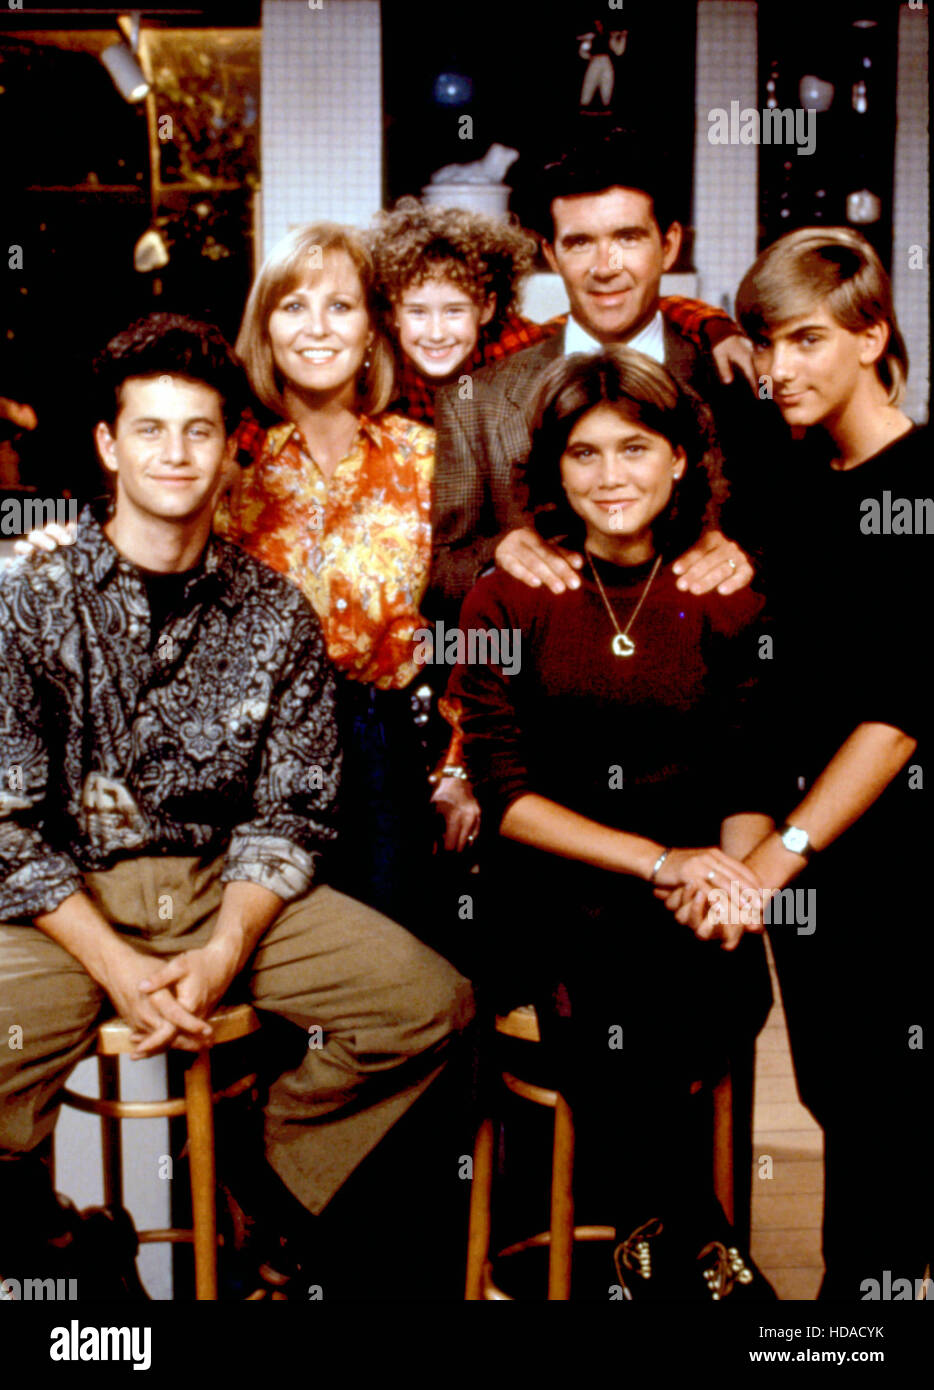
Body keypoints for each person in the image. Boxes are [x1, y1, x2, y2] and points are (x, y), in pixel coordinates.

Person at [0, 313, 474, 1298]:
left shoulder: (271, 610)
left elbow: (295, 811)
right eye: (150, 429)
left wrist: (218, 955)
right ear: (107, 444)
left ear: (229, 449)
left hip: (225, 887)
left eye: (199, 431)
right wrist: (119, 968)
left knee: (428, 1005)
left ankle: (267, 1187)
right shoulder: (31, 596)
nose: (175, 454)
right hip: (65, 901)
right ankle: (58, 1249)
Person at [447, 346, 774, 1299]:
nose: (610, 476)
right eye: (583, 455)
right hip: (554, 886)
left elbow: (751, 767)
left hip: (693, 900)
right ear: (553, 470)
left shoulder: (726, 592)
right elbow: (506, 797)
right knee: (603, 946)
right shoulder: (511, 594)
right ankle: (704, 1248)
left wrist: (737, 883)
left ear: (680, 458)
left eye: (635, 449)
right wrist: (664, 861)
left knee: (675, 967)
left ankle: (646, 1237)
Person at [730, 227, 931, 1299]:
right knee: (844, 1102)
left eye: (806, 338)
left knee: (890, 1120)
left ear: (872, 335)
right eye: (766, 342)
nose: (781, 367)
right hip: (817, 873)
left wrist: (781, 853)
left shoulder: (927, 480)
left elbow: (897, 715)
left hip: (892, 860)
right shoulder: (797, 481)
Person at [221, 222, 483, 926]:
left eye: (340, 306)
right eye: (293, 306)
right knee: (267, 983)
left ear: (373, 329)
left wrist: (460, 766)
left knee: (398, 974)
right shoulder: (229, 474)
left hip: (385, 748)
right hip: (253, 759)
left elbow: (475, 626)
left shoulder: (430, 459)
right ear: (265, 329)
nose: (317, 328)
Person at [428, 128, 772, 625]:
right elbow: (437, 579)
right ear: (551, 254)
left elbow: (785, 549)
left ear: (669, 244)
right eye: (580, 243)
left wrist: (747, 561)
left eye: (627, 238)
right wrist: (496, 555)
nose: (604, 268)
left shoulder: (734, 383)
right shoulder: (475, 402)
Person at [369, 197, 749, 426]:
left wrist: (716, 327)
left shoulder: (516, 344)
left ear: (486, 308)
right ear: (392, 314)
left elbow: (621, 316)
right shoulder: (379, 362)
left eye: (454, 311)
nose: (436, 332)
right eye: (418, 312)